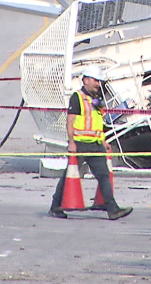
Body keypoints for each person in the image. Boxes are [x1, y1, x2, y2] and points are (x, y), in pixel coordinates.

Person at [50, 66, 133, 220]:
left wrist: (103, 141)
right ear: (86, 80)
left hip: (95, 145)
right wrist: (71, 142)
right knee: (68, 175)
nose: (97, 84)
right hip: (80, 144)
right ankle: (55, 206)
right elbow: (70, 121)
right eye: (95, 80)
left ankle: (112, 209)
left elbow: (97, 123)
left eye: (99, 81)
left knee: (103, 176)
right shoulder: (77, 97)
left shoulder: (96, 101)